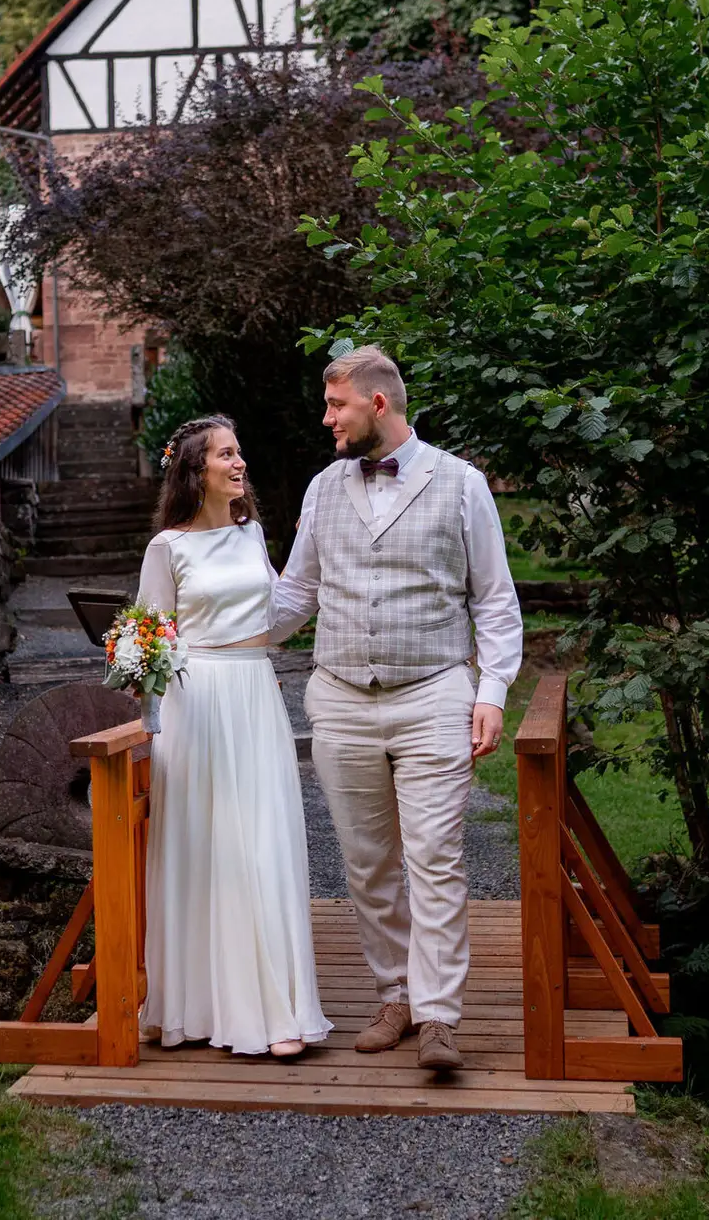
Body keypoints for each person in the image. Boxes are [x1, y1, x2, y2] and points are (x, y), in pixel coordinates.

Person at [271, 346, 524, 1071]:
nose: (327, 420)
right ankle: (396, 996)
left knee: (437, 858)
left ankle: (440, 1016)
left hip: (434, 694)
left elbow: (496, 602)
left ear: (377, 404)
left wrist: (492, 692)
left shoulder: (462, 484)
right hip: (342, 699)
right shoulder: (323, 487)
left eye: (336, 406)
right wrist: (215, 630)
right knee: (366, 862)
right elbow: (296, 593)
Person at [134, 414, 332, 1058]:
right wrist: (152, 716)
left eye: (239, 452)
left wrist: (318, 563)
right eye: (226, 454)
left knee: (264, 847)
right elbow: (149, 641)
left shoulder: (252, 536)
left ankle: (279, 1013)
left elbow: (274, 622)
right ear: (197, 471)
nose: (239, 462)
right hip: (198, 703)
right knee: (206, 851)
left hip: (254, 692)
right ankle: (195, 1008)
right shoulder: (167, 548)